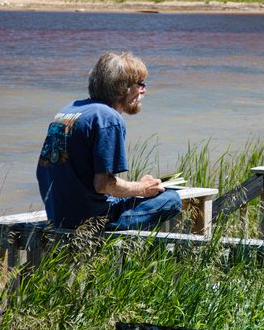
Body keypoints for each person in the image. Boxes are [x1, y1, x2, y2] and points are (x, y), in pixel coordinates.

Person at [36, 51, 181, 230]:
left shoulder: (69, 110)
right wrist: (142, 188)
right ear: (122, 87)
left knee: (134, 195)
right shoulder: (108, 118)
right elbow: (103, 184)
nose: (144, 90)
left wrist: (137, 187)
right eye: (140, 84)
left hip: (58, 215)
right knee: (172, 200)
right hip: (89, 223)